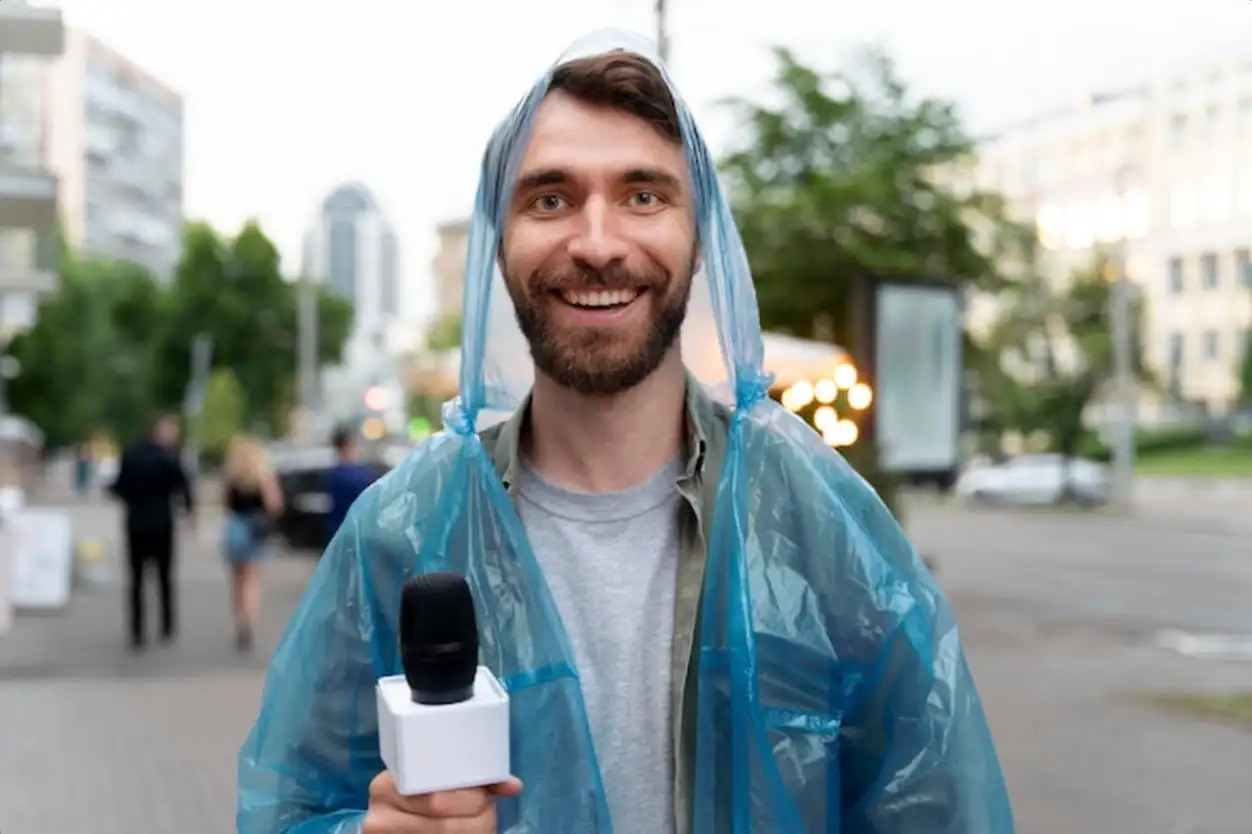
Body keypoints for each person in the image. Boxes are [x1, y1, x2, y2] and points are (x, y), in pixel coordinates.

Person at [238, 35, 1013, 834]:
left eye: (644, 196)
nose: (599, 242)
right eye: (550, 198)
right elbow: (289, 803)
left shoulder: (819, 526)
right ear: (497, 249)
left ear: (700, 235)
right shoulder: (401, 533)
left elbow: (938, 807)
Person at [109, 414, 194, 652]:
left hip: (136, 524)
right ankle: (166, 627)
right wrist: (189, 513)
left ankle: (137, 632)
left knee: (136, 580)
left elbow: (119, 488)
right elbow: (184, 486)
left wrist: (132, 499)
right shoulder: (169, 457)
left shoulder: (131, 454)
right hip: (163, 524)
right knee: (165, 577)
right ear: (161, 431)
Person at [221, 434, 284, 652]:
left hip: (235, 527)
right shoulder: (263, 475)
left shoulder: (232, 476)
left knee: (237, 580)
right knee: (253, 579)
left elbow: (225, 504)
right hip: (255, 529)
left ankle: (240, 619)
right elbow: (275, 504)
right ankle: (249, 621)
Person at [324, 425, 377, 541]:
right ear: (348, 446)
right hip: (357, 531)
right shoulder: (357, 474)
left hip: (339, 530)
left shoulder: (333, 474)